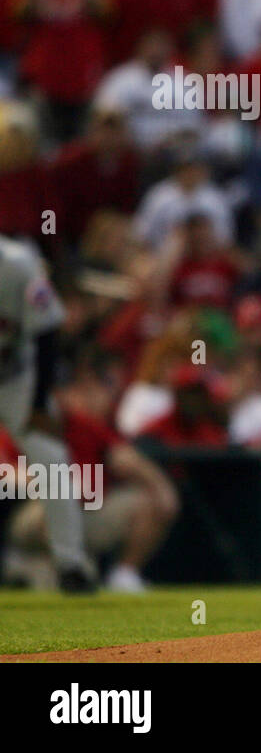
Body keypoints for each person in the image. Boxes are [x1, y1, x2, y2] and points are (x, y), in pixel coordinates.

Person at [0, 235, 96, 591]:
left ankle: (70, 564)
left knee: (52, 461)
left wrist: (39, 404)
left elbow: (47, 334)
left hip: (17, 378)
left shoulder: (18, 264)